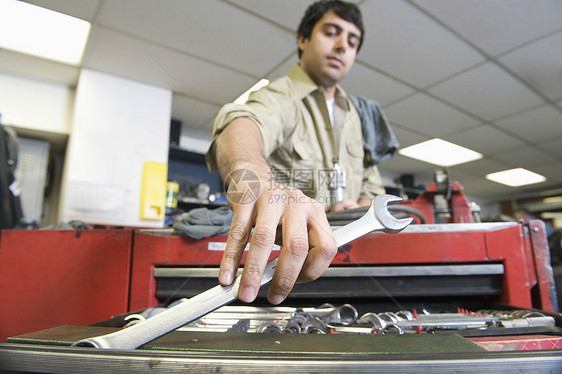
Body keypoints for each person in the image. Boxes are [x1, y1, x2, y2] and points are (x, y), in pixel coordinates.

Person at [206, 0, 386, 304]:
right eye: (332, 32)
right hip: (282, 274)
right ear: (303, 39)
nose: (343, 46)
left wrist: (360, 209)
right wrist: (260, 181)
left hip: (353, 271)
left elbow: (372, 186)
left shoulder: (356, 114)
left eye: (352, 42)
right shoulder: (280, 95)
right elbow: (241, 125)